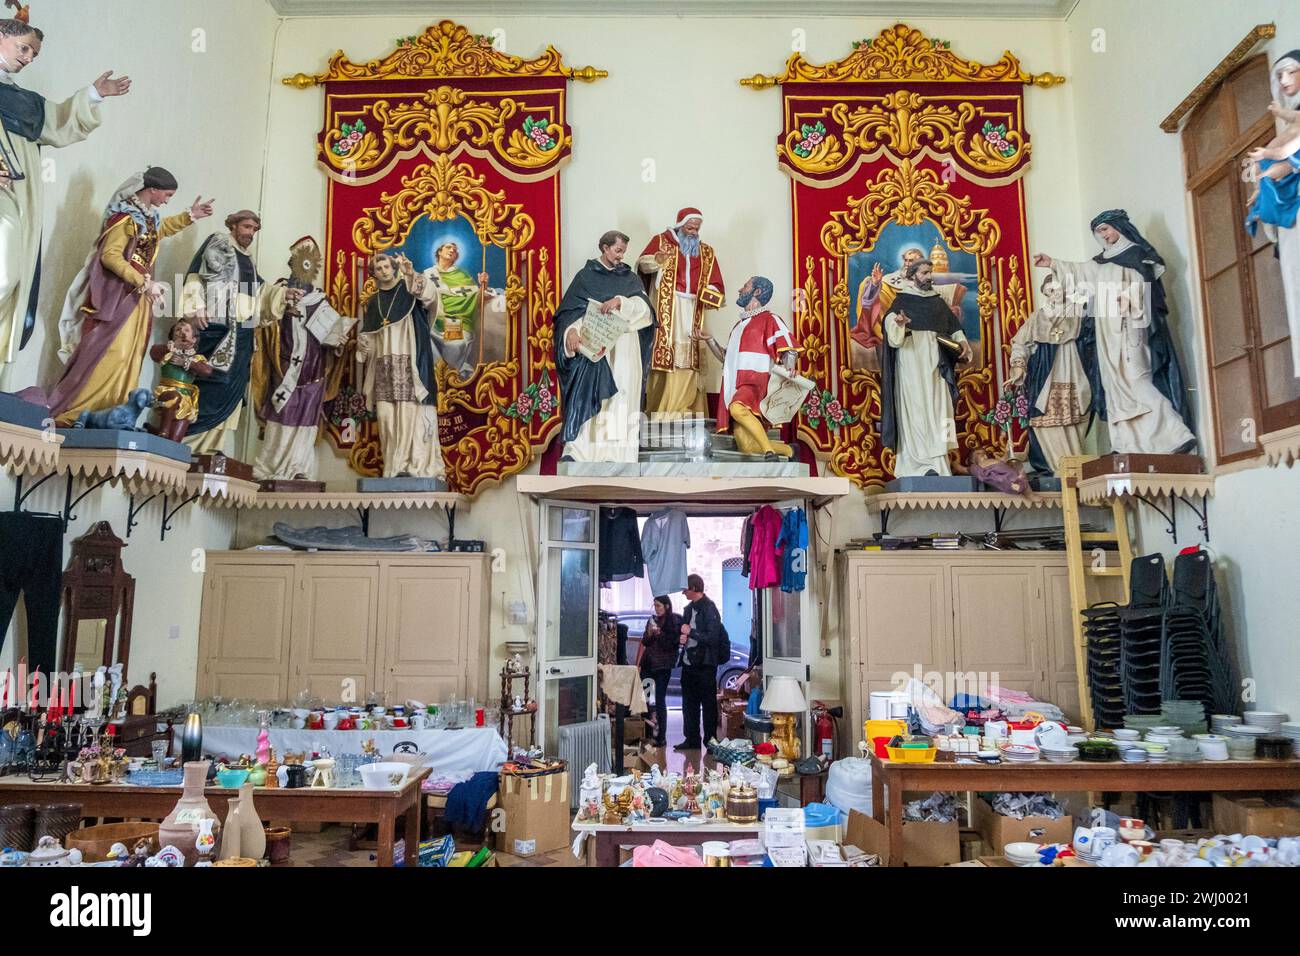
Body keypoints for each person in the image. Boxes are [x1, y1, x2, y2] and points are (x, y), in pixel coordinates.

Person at [0, 12, 130, 373]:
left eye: (34, 55)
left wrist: (93, 95)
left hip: (13, 197)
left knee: (10, 278)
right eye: (24, 48)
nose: (27, 58)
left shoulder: (22, 101)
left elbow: (58, 123)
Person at [38, 168, 212, 424]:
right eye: (167, 194)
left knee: (131, 357)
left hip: (137, 297)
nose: (167, 200)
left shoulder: (146, 217)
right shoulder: (125, 217)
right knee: (112, 352)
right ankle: (79, 410)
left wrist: (189, 216)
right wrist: (143, 282)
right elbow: (110, 255)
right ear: (152, 189)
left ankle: (113, 413)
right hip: (119, 295)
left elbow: (159, 230)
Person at [1034, 209, 1196, 455]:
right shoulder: (1101, 263)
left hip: (1129, 328)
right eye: (1099, 233)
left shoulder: (1138, 256)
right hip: (1106, 333)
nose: (1105, 236)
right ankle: (1126, 444)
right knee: (1113, 385)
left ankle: (1175, 434)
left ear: (1119, 226)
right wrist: (1053, 263)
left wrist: (1129, 298)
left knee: (1137, 378)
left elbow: (1147, 286)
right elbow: (1079, 273)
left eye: (1106, 229)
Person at [356, 251, 475, 479]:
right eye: (378, 269)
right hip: (384, 365)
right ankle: (392, 466)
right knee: (387, 417)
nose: (383, 271)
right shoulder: (373, 302)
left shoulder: (409, 289)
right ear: (374, 274)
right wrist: (363, 346)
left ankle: (412, 465)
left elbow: (430, 297)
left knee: (411, 413)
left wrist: (410, 273)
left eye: (387, 267)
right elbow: (370, 337)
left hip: (410, 360)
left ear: (394, 268)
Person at [251, 237, 355, 482]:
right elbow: (264, 323)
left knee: (307, 418)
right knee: (282, 412)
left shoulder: (320, 299)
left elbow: (329, 334)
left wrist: (338, 341)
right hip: (286, 364)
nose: (303, 272)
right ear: (291, 265)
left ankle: (299, 468)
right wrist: (283, 304)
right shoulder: (278, 291)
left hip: (314, 367)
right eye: (299, 265)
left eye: (309, 267)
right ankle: (269, 467)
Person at [554, 230, 655, 462]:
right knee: (590, 392)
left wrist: (622, 301)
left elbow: (646, 311)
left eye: (623, 252)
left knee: (620, 400)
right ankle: (581, 451)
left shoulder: (629, 278)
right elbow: (569, 313)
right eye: (618, 251)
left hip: (625, 350)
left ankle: (616, 454)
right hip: (595, 348)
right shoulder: (585, 277)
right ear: (605, 248)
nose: (621, 257)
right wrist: (570, 332)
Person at [180, 209, 266, 455]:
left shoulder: (247, 258)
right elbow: (196, 274)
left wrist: (283, 295)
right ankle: (192, 443)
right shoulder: (219, 243)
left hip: (243, 330)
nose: (250, 233)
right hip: (219, 325)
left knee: (233, 387)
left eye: (254, 229)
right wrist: (196, 306)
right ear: (233, 225)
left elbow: (258, 290)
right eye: (247, 227)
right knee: (212, 380)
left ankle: (213, 447)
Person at [878, 258, 972, 476]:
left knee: (940, 409)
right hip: (911, 362)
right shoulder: (902, 300)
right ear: (912, 276)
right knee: (915, 410)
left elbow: (954, 328)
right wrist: (899, 324)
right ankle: (914, 465)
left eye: (930, 272)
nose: (930, 277)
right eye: (924, 273)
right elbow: (891, 329)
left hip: (937, 364)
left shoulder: (937, 302)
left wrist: (964, 344)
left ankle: (939, 463)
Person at [696, 275, 801, 460]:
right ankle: (790, 451)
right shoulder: (738, 326)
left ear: (757, 292)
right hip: (736, 386)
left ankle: (769, 452)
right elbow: (726, 358)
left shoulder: (770, 319)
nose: (740, 290)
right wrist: (710, 340)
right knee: (746, 446)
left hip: (756, 384)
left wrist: (789, 368)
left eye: (745, 286)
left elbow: (788, 347)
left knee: (737, 408)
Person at [635, 207, 724, 415]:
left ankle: (689, 406)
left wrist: (711, 290)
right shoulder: (661, 241)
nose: (693, 232)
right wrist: (657, 260)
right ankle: (665, 409)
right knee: (667, 354)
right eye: (690, 227)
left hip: (694, 308)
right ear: (679, 224)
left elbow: (716, 282)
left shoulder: (706, 251)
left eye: (696, 228)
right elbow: (642, 266)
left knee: (691, 355)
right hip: (668, 306)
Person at [1007, 273, 1095, 475]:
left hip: (1074, 370)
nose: (1054, 295)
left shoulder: (1079, 314)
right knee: (1045, 417)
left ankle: (1074, 464)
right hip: (1044, 374)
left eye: (1057, 289)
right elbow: (1020, 343)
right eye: (1049, 292)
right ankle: (1055, 466)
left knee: (1075, 415)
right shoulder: (1038, 317)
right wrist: (1019, 366)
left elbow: (1093, 341)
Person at [677, 573, 725, 752]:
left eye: (686, 589)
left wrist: (691, 633)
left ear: (695, 588)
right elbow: (683, 630)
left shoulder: (710, 609)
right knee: (689, 704)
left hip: (705, 665)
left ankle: (710, 741)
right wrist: (681, 637)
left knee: (708, 705)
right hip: (689, 664)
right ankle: (691, 739)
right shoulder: (688, 609)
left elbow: (713, 638)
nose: (684, 593)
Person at [149, 318, 212, 443]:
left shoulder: (196, 358)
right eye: (178, 329)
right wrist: (172, 348)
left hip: (187, 400)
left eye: (186, 330)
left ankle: (160, 436)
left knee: (174, 441)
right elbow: (154, 353)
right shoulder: (167, 352)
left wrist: (186, 362)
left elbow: (207, 371)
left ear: (194, 339)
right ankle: (163, 431)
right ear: (172, 336)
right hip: (167, 391)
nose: (182, 332)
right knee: (174, 397)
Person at [636, 595, 681, 748]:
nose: (656, 609)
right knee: (647, 699)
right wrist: (649, 633)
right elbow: (645, 642)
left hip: (662, 667)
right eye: (654, 606)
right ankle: (648, 733)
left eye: (659, 606)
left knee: (660, 700)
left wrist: (659, 633)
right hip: (648, 666)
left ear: (667, 606)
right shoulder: (652, 620)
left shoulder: (674, 621)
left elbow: (671, 644)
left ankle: (661, 736)